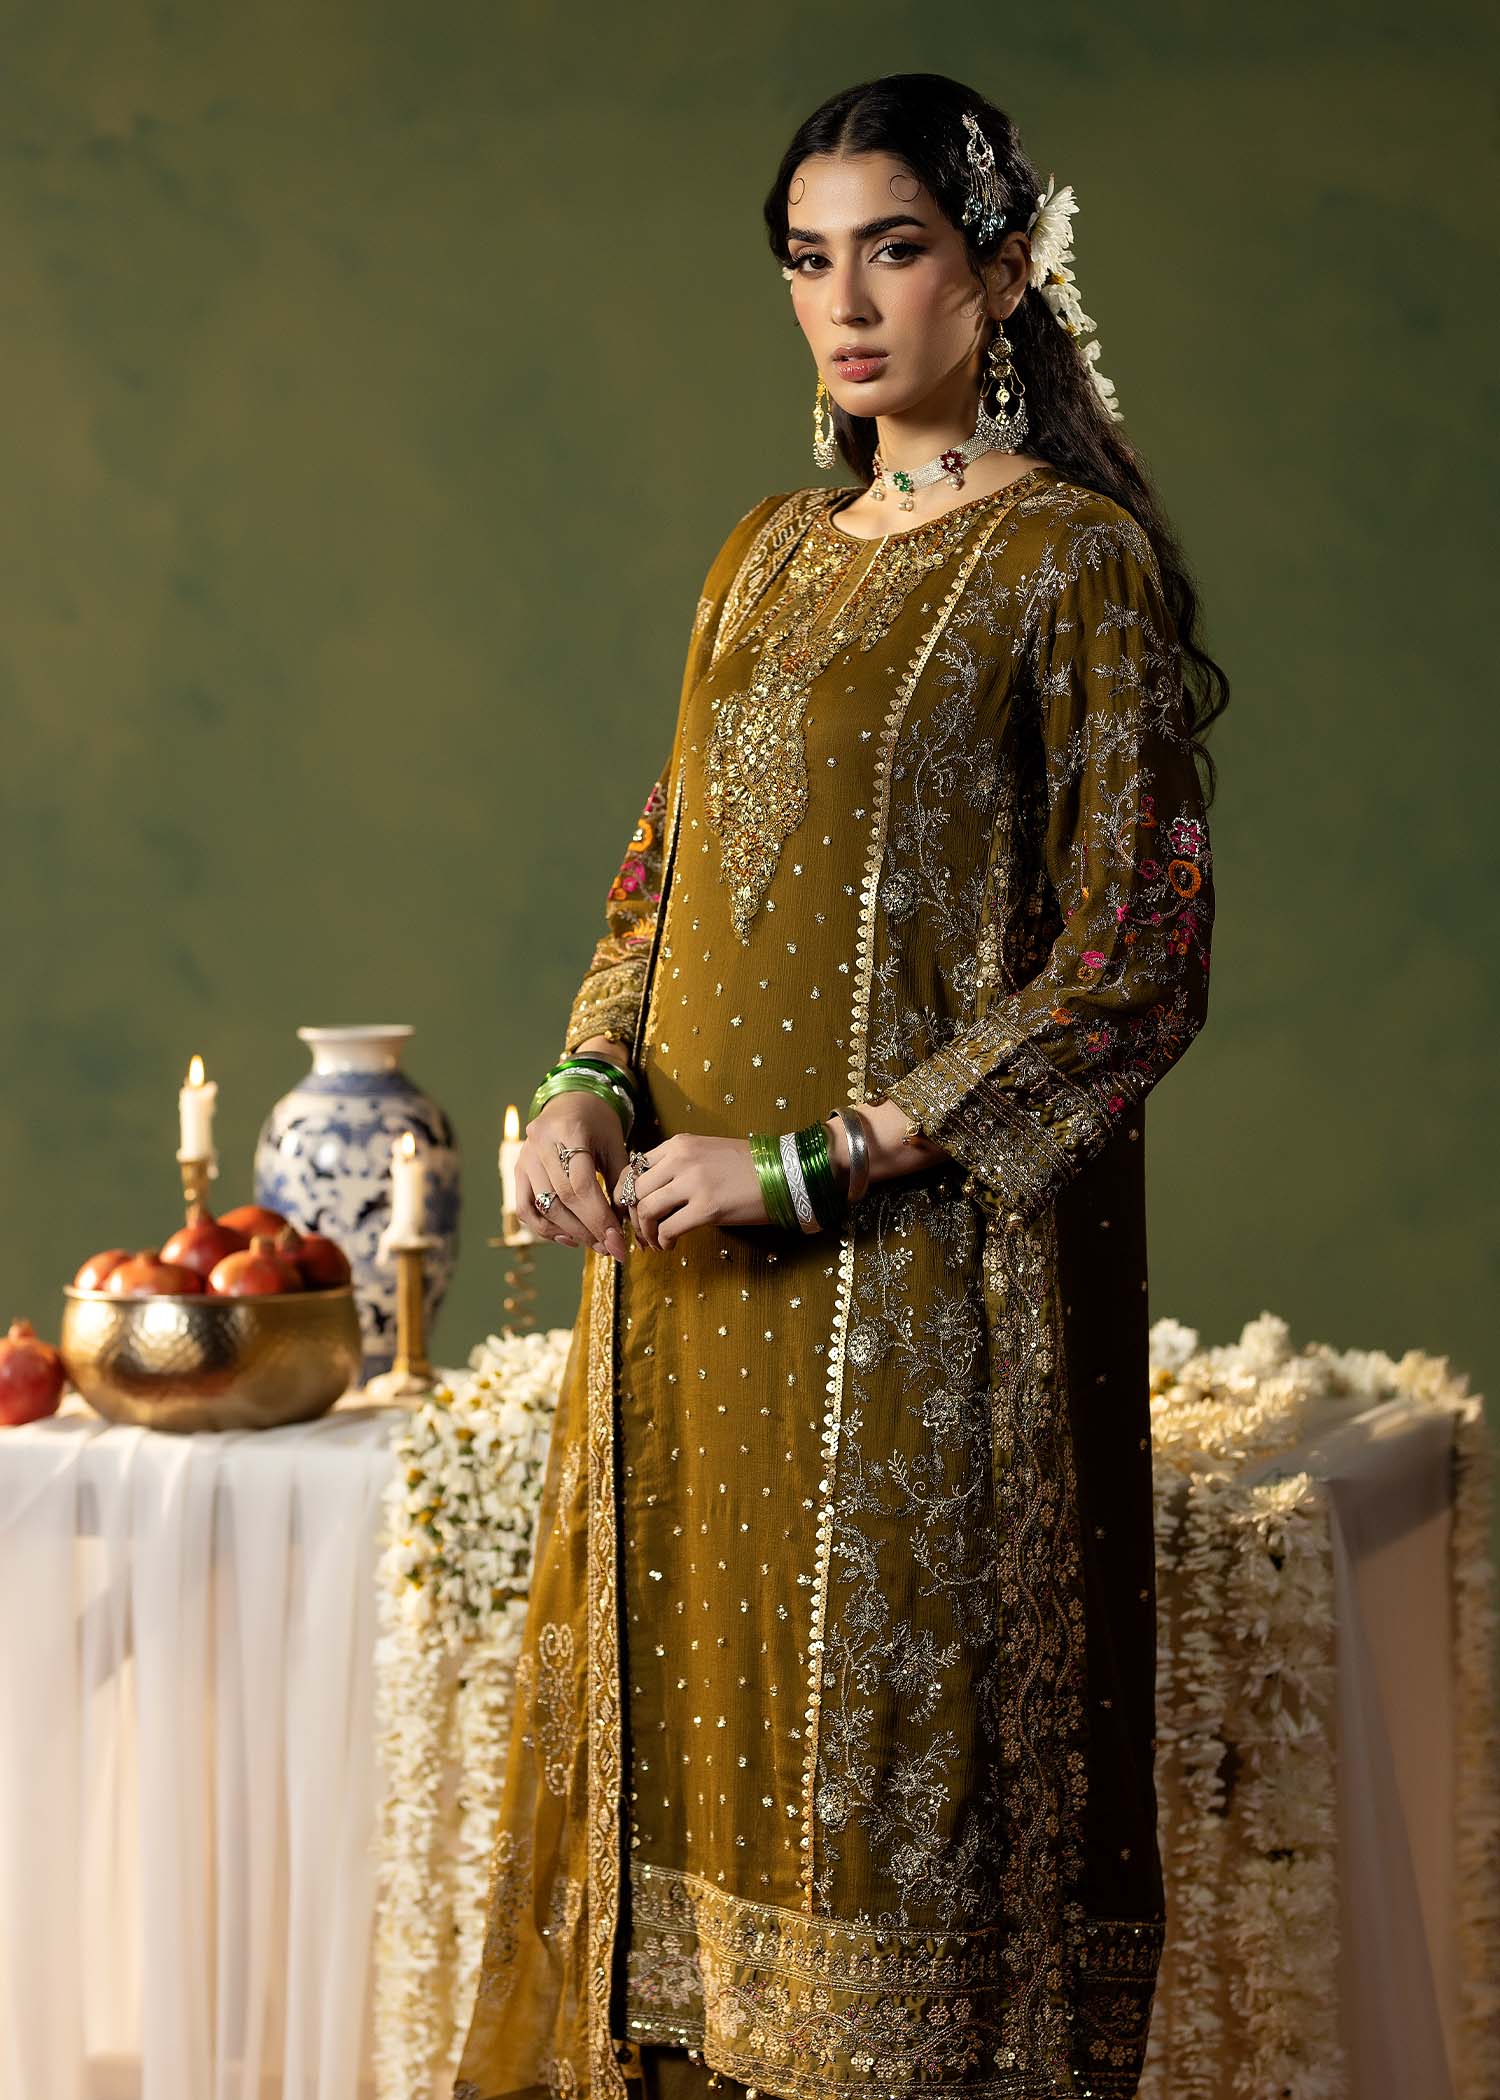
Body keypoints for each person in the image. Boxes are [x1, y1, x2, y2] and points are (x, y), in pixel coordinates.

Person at [454, 69, 1226, 2100]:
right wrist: (580, 1085)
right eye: (811, 261)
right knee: (688, 1803)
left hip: (917, 1308)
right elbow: (663, 873)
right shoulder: (760, 555)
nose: (849, 305)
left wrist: (813, 1163)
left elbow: (1133, 965)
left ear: (1004, 268)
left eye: (896, 250)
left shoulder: (1069, 564)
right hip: (681, 1294)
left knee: (900, 1820)